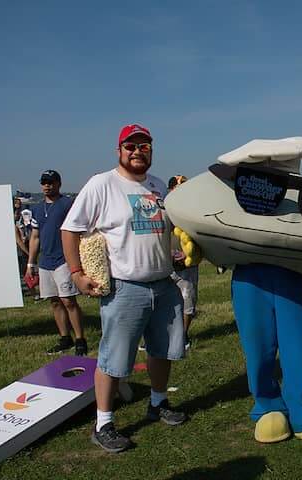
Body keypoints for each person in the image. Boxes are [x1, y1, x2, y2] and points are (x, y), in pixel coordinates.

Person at [61, 124, 187, 453]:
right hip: (124, 287)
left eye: (144, 146)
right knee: (114, 358)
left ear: (151, 151)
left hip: (163, 283)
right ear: (119, 150)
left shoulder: (159, 186)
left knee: (162, 350)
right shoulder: (101, 184)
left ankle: (158, 403)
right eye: (130, 146)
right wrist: (76, 273)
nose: (137, 151)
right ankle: (103, 422)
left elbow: (169, 229)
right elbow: (70, 230)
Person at [26, 170, 87, 356]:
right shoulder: (37, 208)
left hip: (63, 259)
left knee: (68, 300)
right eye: (44, 182)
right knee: (54, 301)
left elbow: (78, 230)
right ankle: (64, 337)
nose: (47, 186)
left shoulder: (67, 204)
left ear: (59, 184)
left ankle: (80, 339)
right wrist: (31, 263)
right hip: (45, 261)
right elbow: (35, 237)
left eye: (51, 182)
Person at [169, 175, 198, 350]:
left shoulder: (192, 209)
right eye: (179, 187)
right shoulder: (164, 208)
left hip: (188, 265)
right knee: (162, 302)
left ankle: (183, 335)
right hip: (167, 265)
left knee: (189, 301)